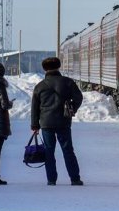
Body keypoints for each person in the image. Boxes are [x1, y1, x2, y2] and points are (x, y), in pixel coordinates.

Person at [31, 56, 84, 186]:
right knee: (68, 150)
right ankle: (75, 179)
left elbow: (34, 107)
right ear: (59, 66)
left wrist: (34, 125)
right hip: (63, 122)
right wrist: (72, 108)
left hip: (46, 123)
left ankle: (51, 179)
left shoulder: (40, 86)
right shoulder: (67, 82)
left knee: (49, 151)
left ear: (44, 69)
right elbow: (78, 97)